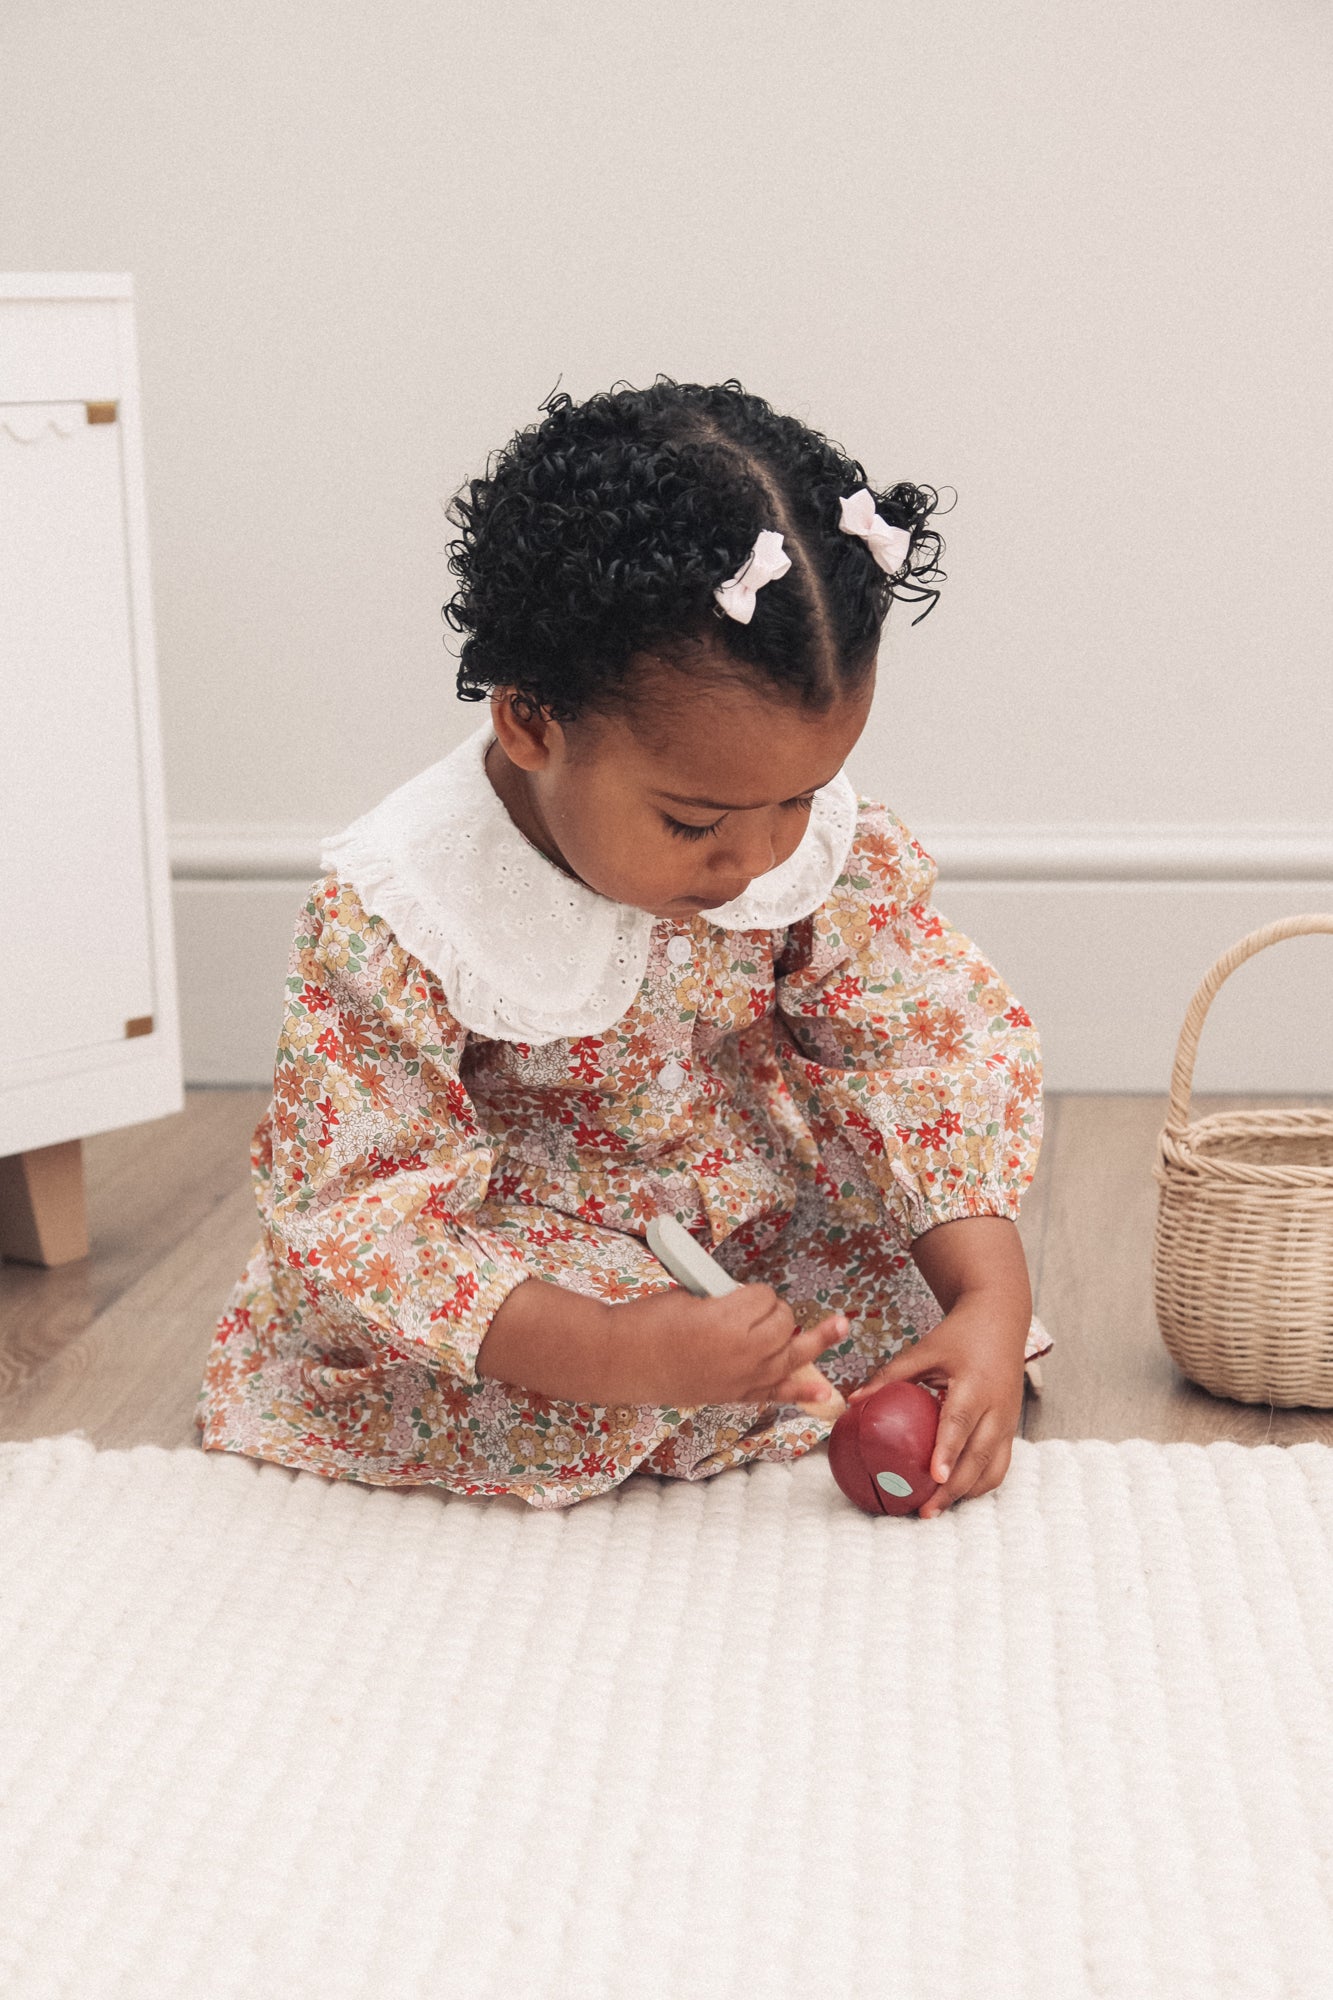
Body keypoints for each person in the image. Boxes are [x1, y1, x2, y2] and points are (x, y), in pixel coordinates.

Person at [196, 377, 1050, 1515]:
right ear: (532, 719)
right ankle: (642, 1374)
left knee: (889, 1285)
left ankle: (720, 1359)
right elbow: (363, 1210)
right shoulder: (405, 906)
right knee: (513, 1367)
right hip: (528, 1270)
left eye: (800, 798)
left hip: (736, 1211)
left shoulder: (788, 841)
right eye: (694, 822)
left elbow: (917, 1051)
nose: (750, 860)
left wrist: (986, 1302)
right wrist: (621, 1349)